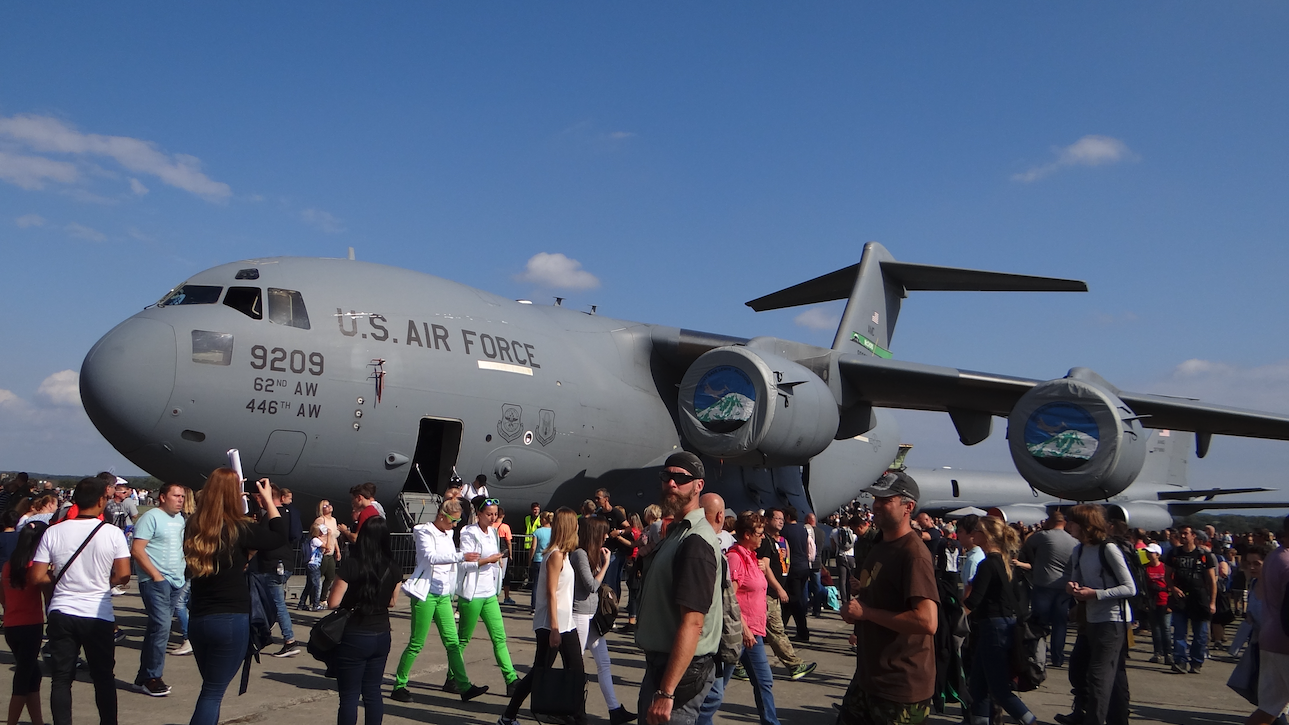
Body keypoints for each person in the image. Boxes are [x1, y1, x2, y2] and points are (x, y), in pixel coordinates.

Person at [183, 472, 286, 725]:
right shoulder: (238, 528)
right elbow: (279, 535)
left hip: (198, 619)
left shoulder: (195, 526)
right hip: (229, 618)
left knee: (210, 688)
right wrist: (267, 500)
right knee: (212, 693)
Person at [837, 472, 939, 725]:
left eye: (886, 500)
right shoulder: (880, 546)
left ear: (909, 507)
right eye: (876, 499)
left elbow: (927, 621)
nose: (877, 505)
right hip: (869, 677)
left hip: (900, 686)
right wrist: (857, 610)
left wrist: (867, 614)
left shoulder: (913, 554)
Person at [30, 477, 131, 725]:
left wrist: (58, 580)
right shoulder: (112, 533)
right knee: (103, 677)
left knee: (61, 678)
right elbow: (123, 574)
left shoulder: (54, 531)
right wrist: (104, 582)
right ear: (101, 500)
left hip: (62, 610)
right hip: (97, 612)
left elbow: (36, 576)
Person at [632, 452, 721, 725]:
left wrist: (667, 692)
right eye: (666, 476)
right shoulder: (677, 533)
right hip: (664, 665)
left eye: (681, 478)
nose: (671, 483)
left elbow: (693, 622)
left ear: (698, 486)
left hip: (679, 673)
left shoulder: (694, 541)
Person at [391, 499, 486, 703]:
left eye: (457, 522)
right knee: (416, 643)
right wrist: (461, 556)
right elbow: (431, 557)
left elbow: (448, 557)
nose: (455, 526)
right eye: (453, 521)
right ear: (442, 516)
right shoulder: (424, 532)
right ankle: (399, 684)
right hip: (425, 593)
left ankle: (464, 686)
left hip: (443, 594)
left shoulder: (448, 532)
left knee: (453, 642)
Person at [498, 507, 586, 725]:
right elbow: (551, 592)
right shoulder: (555, 555)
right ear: (569, 526)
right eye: (575, 522)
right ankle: (508, 715)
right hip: (552, 623)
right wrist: (554, 628)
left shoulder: (564, 554)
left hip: (566, 621)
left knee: (577, 671)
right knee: (539, 672)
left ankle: (576, 715)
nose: (578, 526)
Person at [1062, 504, 1135, 725]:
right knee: (1081, 669)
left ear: (1085, 524)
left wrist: (1096, 594)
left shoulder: (1108, 549)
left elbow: (1130, 588)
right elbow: (1076, 580)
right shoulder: (1079, 550)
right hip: (1090, 619)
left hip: (1113, 620)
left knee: (1098, 675)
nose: (1068, 526)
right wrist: (1072, 588)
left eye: (1072, 522)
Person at [327, 516, 402, 725]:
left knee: (349, 696)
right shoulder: (394, 568)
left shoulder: (351, 566)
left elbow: (333, 602)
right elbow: (392, 602)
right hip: (381, 633)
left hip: (354, 633)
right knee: (372, 692)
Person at [963, 517, 1037, 725]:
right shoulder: (1005, 563)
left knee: (999, 690)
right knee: (978, 685)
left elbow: (974, 601)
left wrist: (953, 619)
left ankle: (1030, 721)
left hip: (993, 628)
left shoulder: (988, 564)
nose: (973, 534)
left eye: (976, 530)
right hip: (1002, 626)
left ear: (986, 536)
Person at [572, 515, 635, 724]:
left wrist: (601, 563)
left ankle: (614, 709)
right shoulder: (580, 554)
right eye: (604, 532)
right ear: (595, 533)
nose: (607, 536)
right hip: (580, 613)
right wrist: (606, 564)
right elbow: (591, 585)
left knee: (604, 662)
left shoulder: (591, 554)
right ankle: (573, 708)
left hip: (592, 615)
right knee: (577, 662)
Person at [457, 497, 519, 697]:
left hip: (489, 592)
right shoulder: (468, 532)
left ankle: (511, 679)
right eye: (489, 514)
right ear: (479, 514)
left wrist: (497, 564)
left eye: (495, 514)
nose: (493, 518)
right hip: (472, 593)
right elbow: (465, 563)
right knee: (463, 639)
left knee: (499, 637)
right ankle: (453, 676)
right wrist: (488, 560)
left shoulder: (493, 532)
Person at [131, 483, 188, 696]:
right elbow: (137, 550)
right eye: (176, 495)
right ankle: (153, 676)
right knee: (163, 626)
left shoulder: (180, 519)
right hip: (156, 581)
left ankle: (144, 676)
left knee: (157, 628)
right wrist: (155, 575)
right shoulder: (151, 517)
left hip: (176, 581)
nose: (180, 499)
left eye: (182, 496)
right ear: (163, 497)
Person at [748, 507, 815, 681]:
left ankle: (740, 665)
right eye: (776, 518)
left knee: (756, 631)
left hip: (776, 591)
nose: (780, 521)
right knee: (776, 631)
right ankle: (794, 665)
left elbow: (786, 562)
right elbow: (766, 567)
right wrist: (778, 588)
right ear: (767, 520)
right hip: (768, 592)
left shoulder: (782, 540)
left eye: (782, 519)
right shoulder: (764, 541)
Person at [1, 521, 49, 725]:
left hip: (12, 624)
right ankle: (12, 722)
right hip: (30, 625)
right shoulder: (35, 568)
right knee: (23, 678)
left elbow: (3, 596)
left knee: (32, 675)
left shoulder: (8, 566)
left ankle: (37, 721)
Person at [1018, 510, 1078, 667]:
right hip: (1064, 586)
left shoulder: (1044, 536)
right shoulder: (1073, 541)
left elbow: (1026, 543)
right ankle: (1057, 657)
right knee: (1060, 623)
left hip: (1044, 583)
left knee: (1039, 622)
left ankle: (1038, 656)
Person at [1246, 516, 1289, 725]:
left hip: (1270, 636)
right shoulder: (1287, 562)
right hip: (1285, 639)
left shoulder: (1275, 556)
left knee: (1269, 708)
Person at [249, 482, 301, 658]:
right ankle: (278, 636)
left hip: (273, 564)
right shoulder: (289, 513)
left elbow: (259, 539)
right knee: (273, 602)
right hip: (284, 563)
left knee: (276, 603)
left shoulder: (271, 516)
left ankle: (289, 640)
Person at [1164, 525, 1218, 674]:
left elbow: (1212, 580)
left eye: (1185, 534)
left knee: (1200, 634)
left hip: (1199, 597)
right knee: (1179, 632)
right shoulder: (1173, 553)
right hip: (1180, 597)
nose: (1182, 536)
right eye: (1181, 534)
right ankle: (1180, 661)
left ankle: (1197, 661)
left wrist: (1212, 602)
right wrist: (1173, 588)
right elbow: (1167, 575)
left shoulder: (1204, 555)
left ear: (1193, 535)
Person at [780, 507, 811, 643]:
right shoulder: (803, 529)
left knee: (794, 600)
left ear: (786, 516)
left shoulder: (785, 531)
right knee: (791, 601)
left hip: (793, 568)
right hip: (804, 566)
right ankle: (780, 629)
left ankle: (802, 631)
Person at [593, 488, 630, 600]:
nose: (596, 500)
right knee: (601, 579)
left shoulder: (615, 513)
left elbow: (628, 528)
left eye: (598, 498)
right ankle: (604, 603)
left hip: (614, 552)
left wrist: (619, 532)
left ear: (606, 499)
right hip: (601, 550)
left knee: (611, 580)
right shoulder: (598, 514)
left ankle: (612, 604)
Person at [1143, 543, 1170, 663]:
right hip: (1152, 601)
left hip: (1164, 600)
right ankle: (1157, 653)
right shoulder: (1145, 568)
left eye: (1151, 552)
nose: (1148, 554)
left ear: (1158, 555)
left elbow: (1171, 584)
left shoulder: (1165, 568)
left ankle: (1168, 654)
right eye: (1147, 552)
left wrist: (1171, 604)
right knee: (1156, 629)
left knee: (1165, 628)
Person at [314, 500, 341, 602]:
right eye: (326, 505)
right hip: (322, 552)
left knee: (330, 576)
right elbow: (315, 535)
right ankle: (314, 599)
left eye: (329, 504)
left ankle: (323, 598)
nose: (329, 506)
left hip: (331, 552)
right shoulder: (320, 520)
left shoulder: (333, 520)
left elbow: (334, 538)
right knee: (318, 577)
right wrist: (324, 545)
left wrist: (338, 551)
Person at [528, 511, 553, 613]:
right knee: (549, 583)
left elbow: (533, 547)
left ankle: (534, 606)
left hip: (538, 559)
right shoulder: (554, 531)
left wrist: (530, 559)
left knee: (536, 584)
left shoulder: (537, 532)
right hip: (550, 560)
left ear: (543, 520)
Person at [300, 521, 327, 611]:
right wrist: (329, 535)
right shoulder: (315, 540)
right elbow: (327, 547)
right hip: (313, 564)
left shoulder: (314, 539)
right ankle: (316, 604)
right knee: (318, 585)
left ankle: (301, 603)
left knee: (309, 584)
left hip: (311, 564)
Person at [496, 506, 516, 605]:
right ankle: (505, 597)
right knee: (503, 576)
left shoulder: (491, 526)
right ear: (503, 515)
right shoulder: (505, 527)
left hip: (494, 554)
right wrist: (510, 554)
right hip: (504, 554)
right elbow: (508, 542)